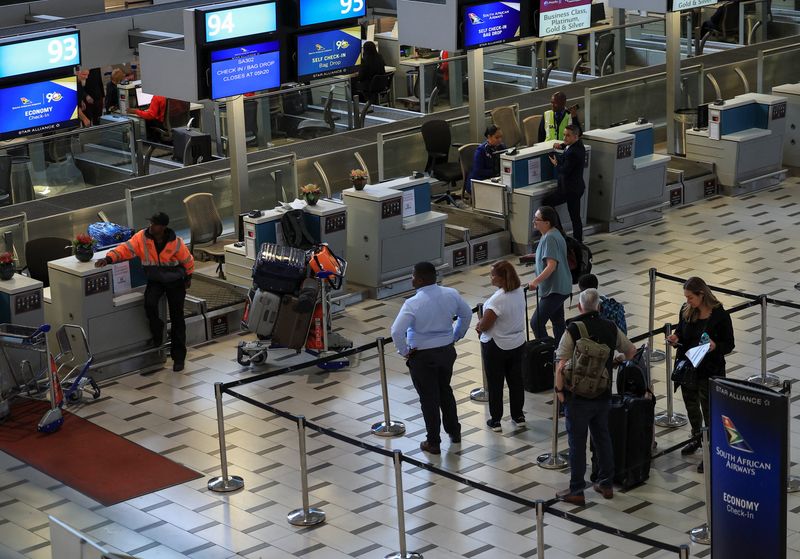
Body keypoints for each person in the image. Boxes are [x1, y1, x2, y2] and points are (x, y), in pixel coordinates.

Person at [554, 288, 637, 505]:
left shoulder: (573, 329)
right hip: (602, 394)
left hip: (577, 397)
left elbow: (561, 364)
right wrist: (616, 359)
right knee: (602, 438)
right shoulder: (610, 327)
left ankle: (576, 490)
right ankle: (606, 483)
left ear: (580, 306)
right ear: (599, 307)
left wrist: (559, 392)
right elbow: (631, 351)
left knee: (577, 443)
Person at [390, 262, 472, 454]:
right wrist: (456, 336)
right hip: (446, 351)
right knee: (445, 391)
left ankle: (433, 442)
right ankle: (454, 432)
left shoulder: (413, 303)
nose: (411, 279)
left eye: (413, 276)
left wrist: (404, 351)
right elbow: (466, 314)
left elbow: (396, 331)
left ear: (420, 279)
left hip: (423, 356)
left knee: (429, 399)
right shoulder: (451, 293)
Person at [95, 212, 194, 372]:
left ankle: (178, 357)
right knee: (149, 304)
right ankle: (158, 332)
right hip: (155, 279)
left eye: (154, 224)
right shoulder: (142, 237)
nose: (151, 226)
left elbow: (187, 260)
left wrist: (188, 277)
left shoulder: (175, 242)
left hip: (175, 281)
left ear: (162, 227)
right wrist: (109, 259)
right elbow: (125, 249)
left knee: (177, 318)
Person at [666, 276, 734, 472]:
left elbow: (729, 344)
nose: (687, 301)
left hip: (709, 370)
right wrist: (675, 336)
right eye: (686, 297)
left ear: (701, 295)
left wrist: (714, 346)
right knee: (691, 406)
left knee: (709, 410)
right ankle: (697, 437)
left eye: (690, 297)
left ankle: (711, 448)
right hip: (688, 368)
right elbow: (681, 330)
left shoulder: (720, 315)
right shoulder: (687, 310)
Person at [475, 260, 526, 432]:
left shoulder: (497, 300)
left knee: (495, 383)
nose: (490, 277)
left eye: (493, 275)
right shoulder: (519, 291)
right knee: (516, 381)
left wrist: (479, 325)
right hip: (518, 343)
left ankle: (495, 420)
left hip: (496, 346)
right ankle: (518, 416)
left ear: (502, 278)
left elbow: (485, 325)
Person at [527, 206, 572, 344]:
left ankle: (546, 349)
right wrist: (534, 256)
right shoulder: (552, 233)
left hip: (555, 289)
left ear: (547, 222)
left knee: (536, 323)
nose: (534, 221)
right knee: (558, 322)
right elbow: (550, 255)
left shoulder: (550, 237)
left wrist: (535, 281)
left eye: (537, 219)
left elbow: (551, 265)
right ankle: (560, 351)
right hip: (561, 286)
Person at [545, 124, 586, 242]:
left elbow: (564, 170)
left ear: (576, 136)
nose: (564, 138)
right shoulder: (578, 146)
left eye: (568, 136)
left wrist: (555, 163)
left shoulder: (573, 152)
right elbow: (568, 148)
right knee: (575, 217)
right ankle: (578, 240)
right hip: (577, 188)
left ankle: (559, 232)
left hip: (569, 190)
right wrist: (562, 145)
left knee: (547, 202)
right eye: (564, 135)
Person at [465, 125, 505, 195]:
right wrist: (495, 172)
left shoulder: (502, 147)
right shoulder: (481, 150)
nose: (500, 140)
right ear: (489, 137)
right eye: (497, 137)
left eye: (501, 137)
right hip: (478, 180)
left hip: (494, 178)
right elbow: (478, 171)